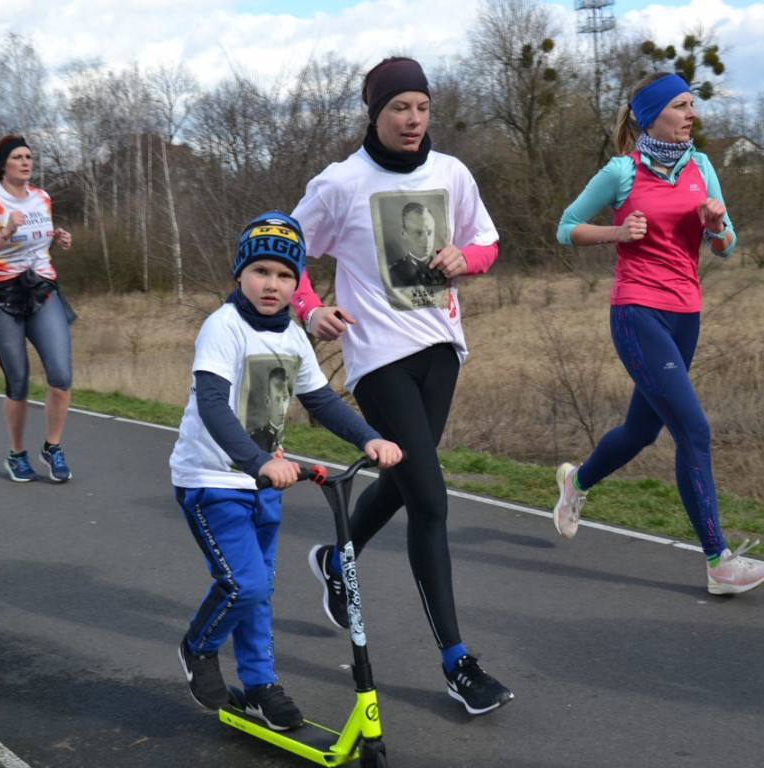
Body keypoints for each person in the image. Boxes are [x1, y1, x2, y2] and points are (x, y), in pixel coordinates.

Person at [290, 57, 514, 716]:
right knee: (431, 501)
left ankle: (338, 561)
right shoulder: (340, 184)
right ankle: (456, 662)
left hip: (441, 348)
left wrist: (463, 259)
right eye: (399, 108)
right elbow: (284, 248)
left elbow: (488, 242)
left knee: (405, 473)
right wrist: (308, 309)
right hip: (378, 356)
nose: (413, 119)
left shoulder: (453, 175)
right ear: (375, 112)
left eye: (421, 106)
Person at [170, 211, 402, 731]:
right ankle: (198, 647)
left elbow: (320, 400)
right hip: (212, 480)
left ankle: (259, 686)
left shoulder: (295, 336)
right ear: (240, 274)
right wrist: (258, 462)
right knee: (244, 584)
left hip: (265, 482)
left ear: (297, 282)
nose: (271, 284)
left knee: (260, 590)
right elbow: (212, 403)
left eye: (283, 275)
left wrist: (369, 437)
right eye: (261, 272)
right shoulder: (223, 327)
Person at [554, 72, 764, 595]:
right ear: (652, 114)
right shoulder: (620, 172)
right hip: (637, 314)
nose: (692, 115)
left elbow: (726, 246)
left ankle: (576, 480)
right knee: (693, 430)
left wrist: (717, 223)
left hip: (686, 315)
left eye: (692, 105)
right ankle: (718, 561)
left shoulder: (701, 166)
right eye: (681, 106)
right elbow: (566, 226)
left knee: (641, 431)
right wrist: (617, 230)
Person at [0, 134, 75, 483]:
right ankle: (16, 454)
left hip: (41, 290)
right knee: (19, 383)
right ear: (3, 165)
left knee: (61, 377)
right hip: (4, 298)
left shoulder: (42, 198)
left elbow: (37, 246)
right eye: (18, 157)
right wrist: (4, 232)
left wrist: (58, 238)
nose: (26, 162)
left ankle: (52, 447)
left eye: (29, 156)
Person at [387, 202, 446, 287]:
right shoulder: (392, 273)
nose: (427, 240)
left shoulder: (445, 268)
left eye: (429, 232)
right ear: (404, 233)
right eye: (419, 233)